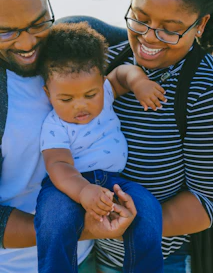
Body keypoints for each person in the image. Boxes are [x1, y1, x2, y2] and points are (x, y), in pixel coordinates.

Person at [0, 0, 138, 272]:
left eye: (39, 22)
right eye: (7, 31)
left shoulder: (78, 42)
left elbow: (150, 38)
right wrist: (89, 227)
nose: (28, 42)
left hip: (86, 257)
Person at [83, 0, 213, 272]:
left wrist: (127, 224)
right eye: (140, 18)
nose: (149, 38)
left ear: (201, 25)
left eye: (170, 29)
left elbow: (205, 205)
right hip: (95, 256)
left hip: (162, 261)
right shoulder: (103, 63)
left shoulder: (204, 89)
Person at [35, 21, 165, 273]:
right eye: (66, 99)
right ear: (47, 92)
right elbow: (58, 165)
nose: (80, 106)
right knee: (53, 222)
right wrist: (84, 192)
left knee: (148, 211)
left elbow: (124, 73)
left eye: (90, 95)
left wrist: (139, 83)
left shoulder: (105, 91)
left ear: (102, 83)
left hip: (115, 182)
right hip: (67, 187)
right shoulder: (54, 125)